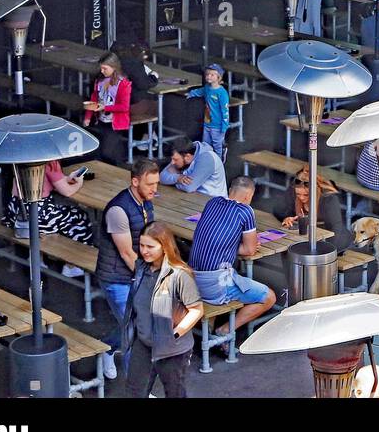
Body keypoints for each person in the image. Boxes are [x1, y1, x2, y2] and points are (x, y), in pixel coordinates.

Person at [94, 157, 159, 381]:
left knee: (133, 325)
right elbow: (126, 253)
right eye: (150, 184)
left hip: (135, 274)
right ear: (134, 182)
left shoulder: (145, 201)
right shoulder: (118, 210)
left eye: (156, 183)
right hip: (116, 279)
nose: (154, 189)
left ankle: (107, 347)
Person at [188, 176, 276, 343]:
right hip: (215, 286)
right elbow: (249, 250)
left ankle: (210, 327)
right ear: (248, 197)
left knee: (232, 275)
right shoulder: (245, 211)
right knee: (269, 297)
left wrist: (226, 246)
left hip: (191, 279)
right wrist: (233, 246)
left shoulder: (212, 203)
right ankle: (225, 329)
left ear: (230, 191)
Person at [123, 222, 203, 398]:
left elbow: (196, 310)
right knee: (134, 392)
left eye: (150, 246)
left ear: (164, 246)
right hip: (143, 343)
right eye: (142, 245)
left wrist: (174, 333)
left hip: (173, 349)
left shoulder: (180, 275)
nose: (144, 250)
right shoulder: (141, 268)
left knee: (174, 393)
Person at [2, 159, 93, 276]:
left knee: (61, 214)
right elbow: (67, 192)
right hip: (37, 217)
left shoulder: (21, 157)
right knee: (79, 216)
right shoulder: (49, 161)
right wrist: (79, 182)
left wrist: (65, 179)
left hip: (16, 213)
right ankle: (72, 265)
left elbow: (45, 182)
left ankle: (36, 258)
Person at [276, 166, 352, 252]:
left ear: (314, 191)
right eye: (298, 194)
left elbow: (335, 227)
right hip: (306, 237)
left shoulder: (329, 200)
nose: (301, 197)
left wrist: (327, 251)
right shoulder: (293, 191)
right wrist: (287, 218)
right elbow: (278, 210)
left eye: (306, 195)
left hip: (329, 237)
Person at [81, 52, 133, 166]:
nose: (102, 71)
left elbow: (124, 107)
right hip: (102, 120)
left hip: (115, 123)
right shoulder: (99, 80)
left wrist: (105, 107)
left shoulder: (123, 83)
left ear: (114, 67)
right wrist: (88, 117)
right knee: (105, 151)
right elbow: (94, 98)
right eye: (101, 68)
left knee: (107, 152)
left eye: (104, 68)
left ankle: (116, 168)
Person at [185, 63, 230, 160]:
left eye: (212, 75)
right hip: (207, 123)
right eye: (207, 74)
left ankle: (219, 162)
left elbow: (225, 111)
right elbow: (201, 91)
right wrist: (192, 93)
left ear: (219, 77)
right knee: (205, 144)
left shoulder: (222, 93)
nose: (208, 76)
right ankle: (206, 161)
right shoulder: (207, 87)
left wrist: (224, 126)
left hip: (217, 125)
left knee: (217, 145)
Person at [159, 137, 228, 199]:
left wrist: (172, 181)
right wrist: (178, 178)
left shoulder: (206, 158)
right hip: (194, 200)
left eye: (175, 159)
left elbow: (189, 187)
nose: (172, 163)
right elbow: (161, 177)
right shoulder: (183, 152)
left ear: (187, 157)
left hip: (216, 205)